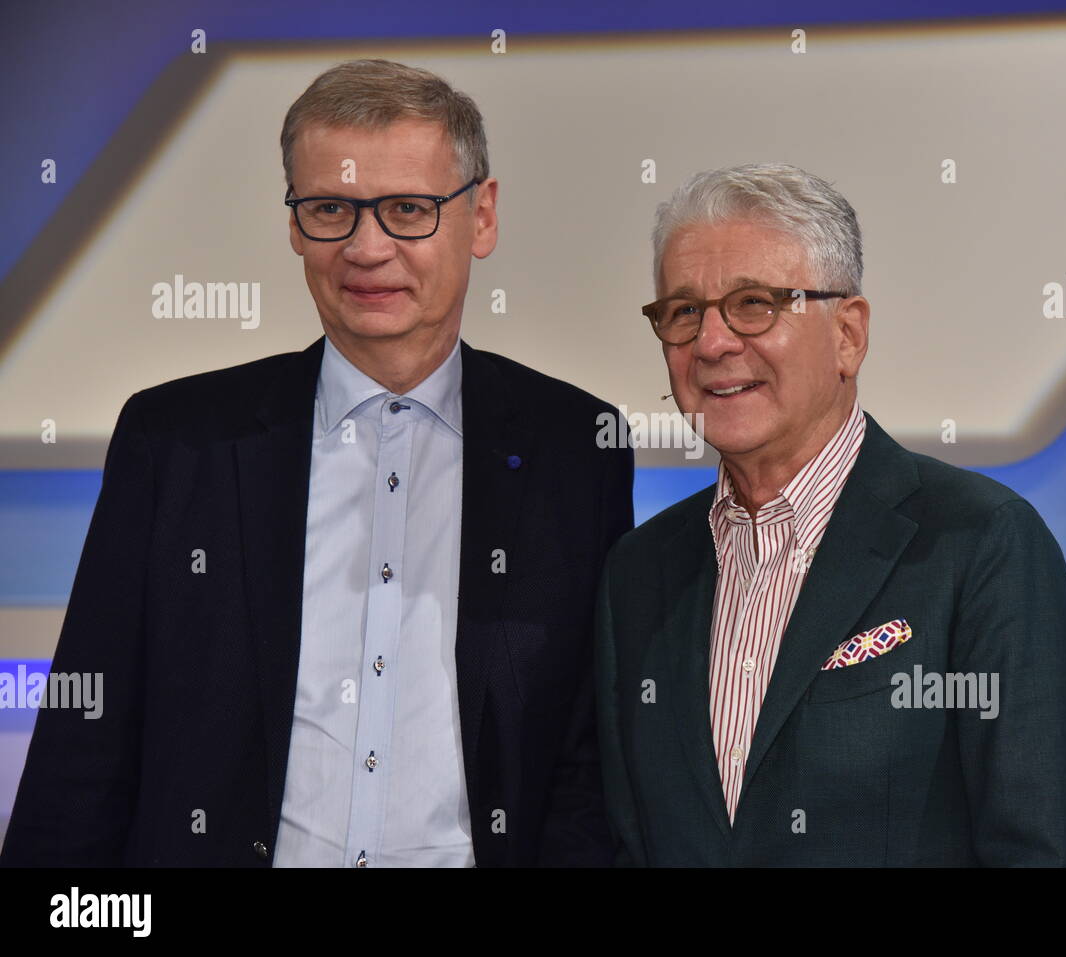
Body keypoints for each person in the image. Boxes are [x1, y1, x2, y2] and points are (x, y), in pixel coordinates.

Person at [0, 59, 632, 868]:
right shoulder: (176, 440)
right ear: (295, 224)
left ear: (481, 215)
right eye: (332, 208)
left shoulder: (576, 448)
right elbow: (80, 753)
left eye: (409, 209)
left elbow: (587, 756)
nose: (367, 248)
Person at [595, 163, 1066, 866]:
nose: (711, 343)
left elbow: (1047, 850)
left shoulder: (981, 543)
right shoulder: (638, 571)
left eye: (754, 304)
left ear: (848, 333)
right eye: (684, 311)